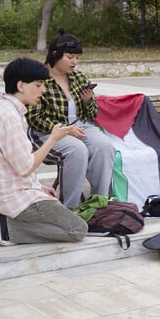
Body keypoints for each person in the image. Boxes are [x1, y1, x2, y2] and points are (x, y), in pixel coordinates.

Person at [0, 58, 88, 244]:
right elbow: (25, 166)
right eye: (38, 85)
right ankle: (9, 229)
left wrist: (39, 188)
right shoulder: (9, 117)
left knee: (65, 214)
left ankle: (10, 222)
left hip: (12, 192)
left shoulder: (4, 110)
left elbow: (14, 164)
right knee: (77, 229)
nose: (43, 91)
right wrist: (53, 138)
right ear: (21, 85)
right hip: (14, 198)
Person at [26, 28, 115, 209]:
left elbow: (93, 114)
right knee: (77, 150)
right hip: (47, 132)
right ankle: (70, 209)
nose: (75, 62)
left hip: (79, 127)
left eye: (77, 57)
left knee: (104, 146)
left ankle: (99, 203)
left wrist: (88, 101)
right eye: (70, 57)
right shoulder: (39, 78)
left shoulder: (78, 77)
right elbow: (34, 118)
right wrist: (65, 130)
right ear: (55, 54)